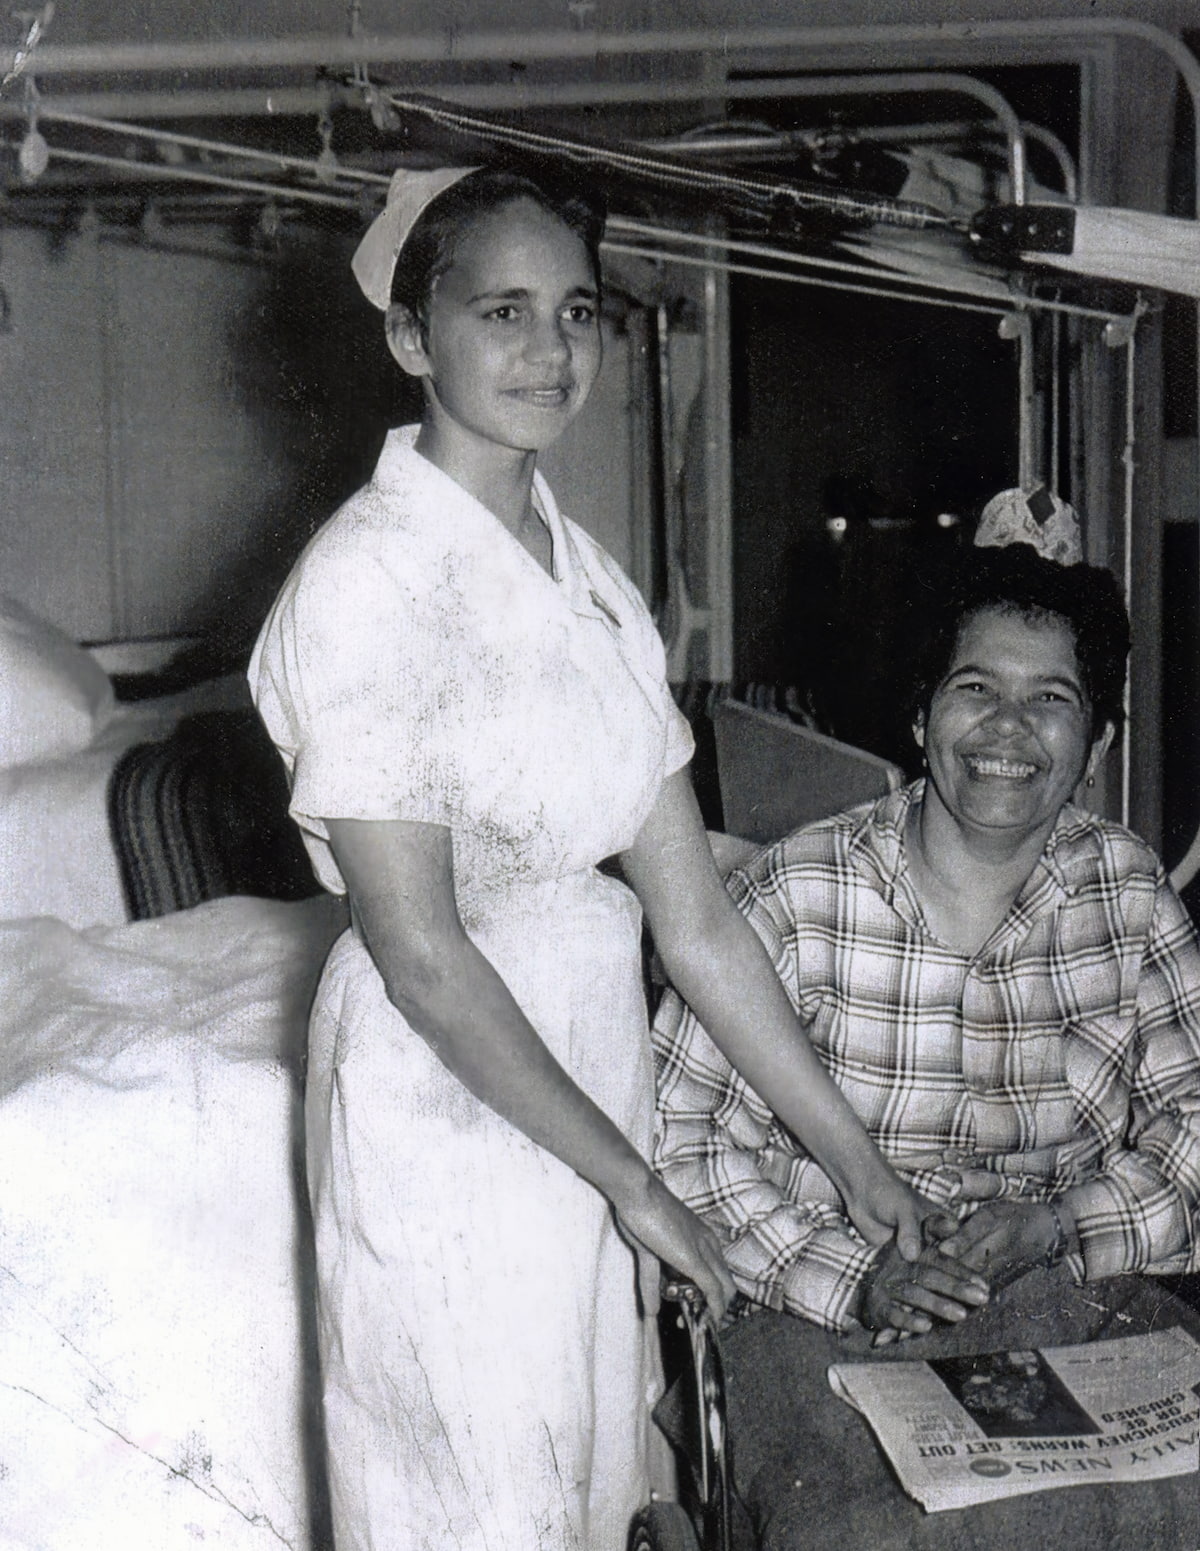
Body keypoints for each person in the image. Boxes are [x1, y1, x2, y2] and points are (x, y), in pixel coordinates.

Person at [248, 164, 922, 1551]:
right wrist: (637, 1182)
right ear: (409, 334)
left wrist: (857, 1159)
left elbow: (699, 924)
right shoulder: (364, 581)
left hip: (583, 1069)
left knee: (594, 1483)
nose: (551, 351)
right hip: (447, 1105)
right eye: (503, 309)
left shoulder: (589, 581)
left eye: (578, 312)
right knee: (477, 1495)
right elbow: (424, 957)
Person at [652, 535, 1200, 1547]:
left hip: (1062, 1304)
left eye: (1053, 700)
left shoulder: (1130, 899)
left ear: (1102, 744)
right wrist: (853, 1273)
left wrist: (1064, 1223)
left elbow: (1193, 1128)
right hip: (815, 1322)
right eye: (975, 687)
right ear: (918, 715)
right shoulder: (795, 896)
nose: (1007, 728)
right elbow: (677, 1144)